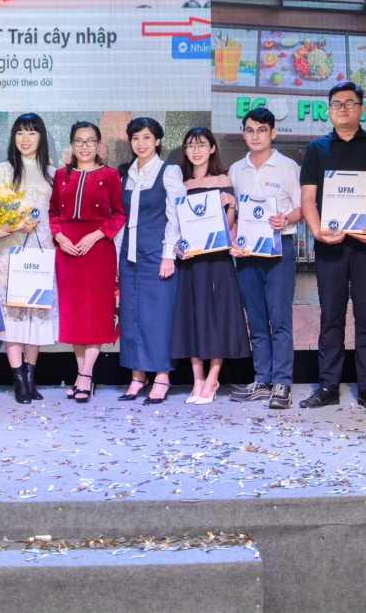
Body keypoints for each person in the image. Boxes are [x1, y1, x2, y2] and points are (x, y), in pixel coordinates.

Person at [298, 81, 366, 411]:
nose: (342, 109)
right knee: (330, 317)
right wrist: (317, 232)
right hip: (330, 246)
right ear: (328, 111)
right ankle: (328, 386)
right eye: (336, 104)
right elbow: (308, 199)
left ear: (362, 108)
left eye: (349, 103)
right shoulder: (316, 149)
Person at [227, 107, 303, 411]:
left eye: (262, 130)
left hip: (279, 248)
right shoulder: (236, 169)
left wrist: (285, 219)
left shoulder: (288, 167)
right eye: (250, 130)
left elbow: (301, 209)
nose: (255, 136)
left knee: (280, 319)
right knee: (256, 320)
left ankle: (283, 382)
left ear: (273, 132)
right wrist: (232, 241)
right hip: (247, 253)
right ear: (243, 133)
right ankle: (262, 380)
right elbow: (234, 215)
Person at [48, 121, 125, 403]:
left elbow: (118, 214)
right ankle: (85, 376)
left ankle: (84, 375)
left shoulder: (111, 175)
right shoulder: (61, 176)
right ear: (72, 144)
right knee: (75, 316)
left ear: (98, 145)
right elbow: (53, 213)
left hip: (98, 250)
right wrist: (59, 237)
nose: (84, 146)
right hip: (67, 252)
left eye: (90, 141)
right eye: (79, 141)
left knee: (95, 314)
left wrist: (95, 236)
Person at [170, 127, 248, 405]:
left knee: (218, 317)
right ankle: (197, 379)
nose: (196, 150)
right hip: (191, 261)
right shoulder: (180, 183)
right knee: (192, 316)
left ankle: (213, 378)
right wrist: (176, 245)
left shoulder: (223, 179)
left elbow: (227, 226)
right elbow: (175, 224)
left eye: (202, 145)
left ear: (212, 148)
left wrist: (232, 205)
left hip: (216, 259)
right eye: (191, 145)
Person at [117, 117, 185, 405]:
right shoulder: (127, 174)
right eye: (135, 138)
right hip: (129, 255)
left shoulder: (168, 172)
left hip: (157, 254)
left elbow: (176, 215)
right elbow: (122, 220)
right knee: (131, 316)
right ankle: (137, 376)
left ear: (157, 141)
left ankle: (162, 377)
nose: (141, 143)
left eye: (146, 137)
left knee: (158, 317)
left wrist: (168, 254)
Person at [0, 114, 57, 404]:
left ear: (41, 137)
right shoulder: (4, 170)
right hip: (11, 250)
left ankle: (31, 378)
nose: (25, 139)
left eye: (31, 132)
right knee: (14, 316)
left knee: (35, 314)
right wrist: (15, 225)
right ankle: (19, 381)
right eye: (20, 133)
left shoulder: (52, 172)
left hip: (42, 251)